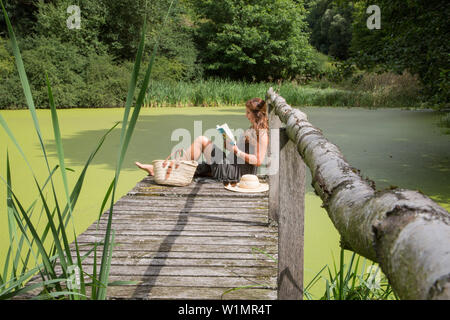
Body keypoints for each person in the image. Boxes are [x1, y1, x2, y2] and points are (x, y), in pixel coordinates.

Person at [135, 97, 269, 185]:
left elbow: (258, 160)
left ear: (257, 114)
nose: (246, 115)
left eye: (248, 113)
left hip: (236, 174)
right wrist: (227, 143)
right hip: (230, 165)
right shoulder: (253, 128)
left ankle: (174, 166)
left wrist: (236, 151)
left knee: (202, 140)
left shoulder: (262, 134)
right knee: (198, 168)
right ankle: (157, 169)